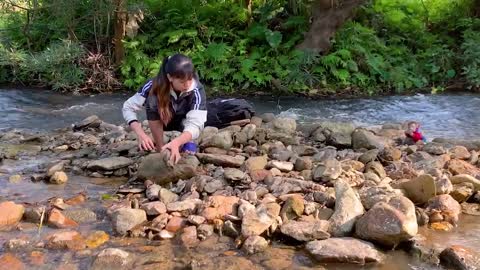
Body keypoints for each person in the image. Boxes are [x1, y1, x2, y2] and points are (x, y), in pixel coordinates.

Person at [122, 53, 207, 164]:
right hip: (163, 120)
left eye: (189, 79)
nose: (187, 85)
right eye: (182, 82)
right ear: (169, 77)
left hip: (183, 121)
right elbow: (128, 107)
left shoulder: (197, 89)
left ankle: (188, 141)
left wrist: (176, 142)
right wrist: (141, 135)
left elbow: (196, 124)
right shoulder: (153, 85)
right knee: (152, 100)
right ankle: (160, 147)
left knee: (198, 120)